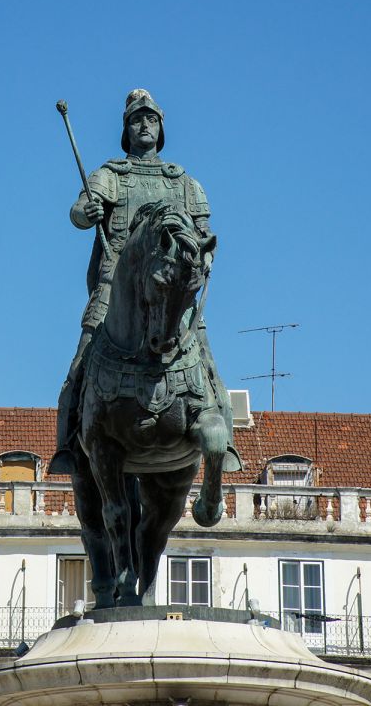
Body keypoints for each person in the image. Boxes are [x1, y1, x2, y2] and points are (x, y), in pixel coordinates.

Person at [50, 88, 242, 474]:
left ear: (160, 128)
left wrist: (200, 260)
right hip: (114, 290)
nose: (144, 125)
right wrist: (87, 212)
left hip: (170, 292)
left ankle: (227, 445)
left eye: (150, 119)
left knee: (208, 363)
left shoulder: (183, 182)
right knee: (79, 367)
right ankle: (69, 446)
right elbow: (77, 213)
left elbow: (205, 235)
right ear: (126, 129)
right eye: (137, 119)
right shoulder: (110, 175)